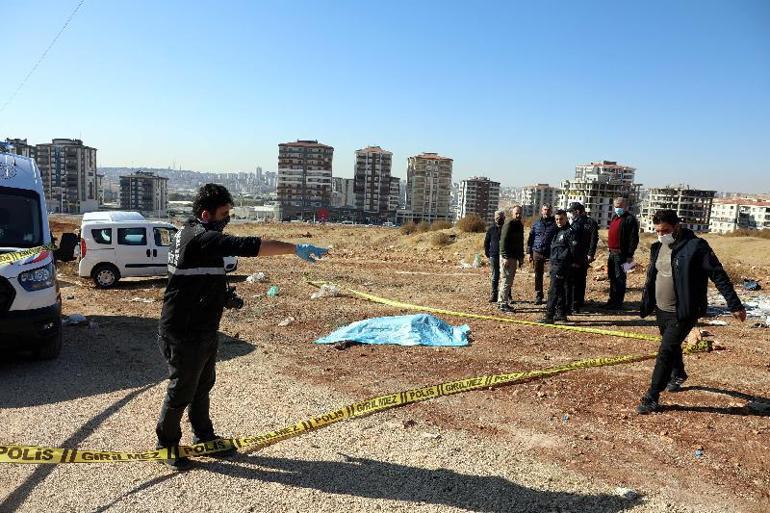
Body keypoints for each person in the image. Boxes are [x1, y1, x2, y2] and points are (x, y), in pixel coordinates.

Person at [156, 183, 328, 470]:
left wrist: (224, 297)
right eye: (224, 214)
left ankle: (204, 437)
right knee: (182, 390)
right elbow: (249, 246)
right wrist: (294, 248)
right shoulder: (199, 237)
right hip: (183, 331)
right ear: (206, 214)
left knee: (202, 386)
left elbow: (198, 277)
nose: (228, 220)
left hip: (203, 328)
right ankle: (166, 444)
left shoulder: (196, 236)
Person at [636, 209, 746, 414]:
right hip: (662, 309)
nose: (661, 234)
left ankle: (652, 395)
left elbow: (718, 275)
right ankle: (678, 374)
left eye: (665, 230)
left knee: (665, 351)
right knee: (671, 345)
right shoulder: (657, 247)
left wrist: (735, 305)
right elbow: (654, 276)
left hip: (684, 311)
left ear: (677, 226)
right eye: (657, 231)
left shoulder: (696, 247)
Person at [601, 197, 639, 311]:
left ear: (625, 206)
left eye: (620, 206)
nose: (617, 208)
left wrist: (629, 255)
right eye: (616, 206)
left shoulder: (630, 219)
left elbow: (633, 238)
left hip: (622, 254)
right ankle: (611, 300)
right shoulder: (614, 217)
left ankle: (617, 303)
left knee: (619, 278)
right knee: (612, 277)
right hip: (612, 253)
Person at [540, 210, 577, 324]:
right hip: (555, 264)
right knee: (560, 291)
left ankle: (549, 316)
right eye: (556, 219)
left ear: (566, 218)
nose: (559, 221)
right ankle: (561, 314)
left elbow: (574, 250)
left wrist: (570, 263)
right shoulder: (558, 231)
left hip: (562, 265)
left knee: (553, 291)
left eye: (561, 219)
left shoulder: (569, 232)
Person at [567, 202, 598, 313]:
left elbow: (594, 240)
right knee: (573, 279)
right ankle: (573, 302)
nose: (570, 214)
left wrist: (591, 254)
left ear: (578, 211)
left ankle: (578, 302)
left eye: (572, 211)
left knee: (580, 279)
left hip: (583, 255)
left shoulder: (590, 222)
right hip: (573, 255)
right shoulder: (573, 222)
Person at [527, 204, 557, 305]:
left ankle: (552, 296)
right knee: (538, 275)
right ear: (541, 211)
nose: (546, 212)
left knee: (553, 275)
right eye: (545, 210)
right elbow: (530, 238)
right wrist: (529, 253)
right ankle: (538, 296)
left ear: (551, 211)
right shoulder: (536, 224)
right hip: (537, 252)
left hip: (550, 254)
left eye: (548, 210)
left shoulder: (555, 224)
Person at [498, 205, 525, 312]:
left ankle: (503, 301)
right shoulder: (509, 223)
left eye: (519, 213)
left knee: (509, 280)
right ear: (512, 213)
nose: (518, 215)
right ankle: (502, 303)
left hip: (514, 256)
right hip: (508, 257)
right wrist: (505, 257)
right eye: (516, 213)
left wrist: (521, 257)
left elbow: (520, 242)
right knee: (506, 279)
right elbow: (503, 241)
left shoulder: (519, 225)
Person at [483, 210, 505, 303]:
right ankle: (493, 295)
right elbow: (486, 242)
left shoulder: (507, 228)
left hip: (505, 256)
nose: (498, 219)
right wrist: (488, 253)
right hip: (494, 255)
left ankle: (506, 295)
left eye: (500, 217)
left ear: (504, 218)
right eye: (497, 217)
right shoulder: (491, 229)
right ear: (494, 218)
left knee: (505, 276)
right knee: (495, 276)